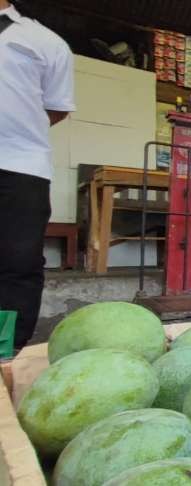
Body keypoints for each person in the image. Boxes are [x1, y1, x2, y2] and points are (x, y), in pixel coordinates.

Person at [0, 1, 75, 349]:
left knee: (19, 259)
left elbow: (56, 108)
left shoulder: (46, 42)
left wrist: (18, 128)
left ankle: (5, 345)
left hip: (22, 164)